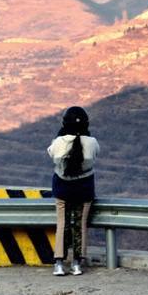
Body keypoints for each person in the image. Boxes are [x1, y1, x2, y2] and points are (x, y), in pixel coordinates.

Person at [47, 106, 100, 276]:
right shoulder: (92, 142)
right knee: (80, 225)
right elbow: (95, 154)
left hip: (63, 188)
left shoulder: (59, 142)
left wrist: (60, 136)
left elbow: (50, 153)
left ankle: (59, 264)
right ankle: (77, 263)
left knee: (62, 225)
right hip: (84, 189)